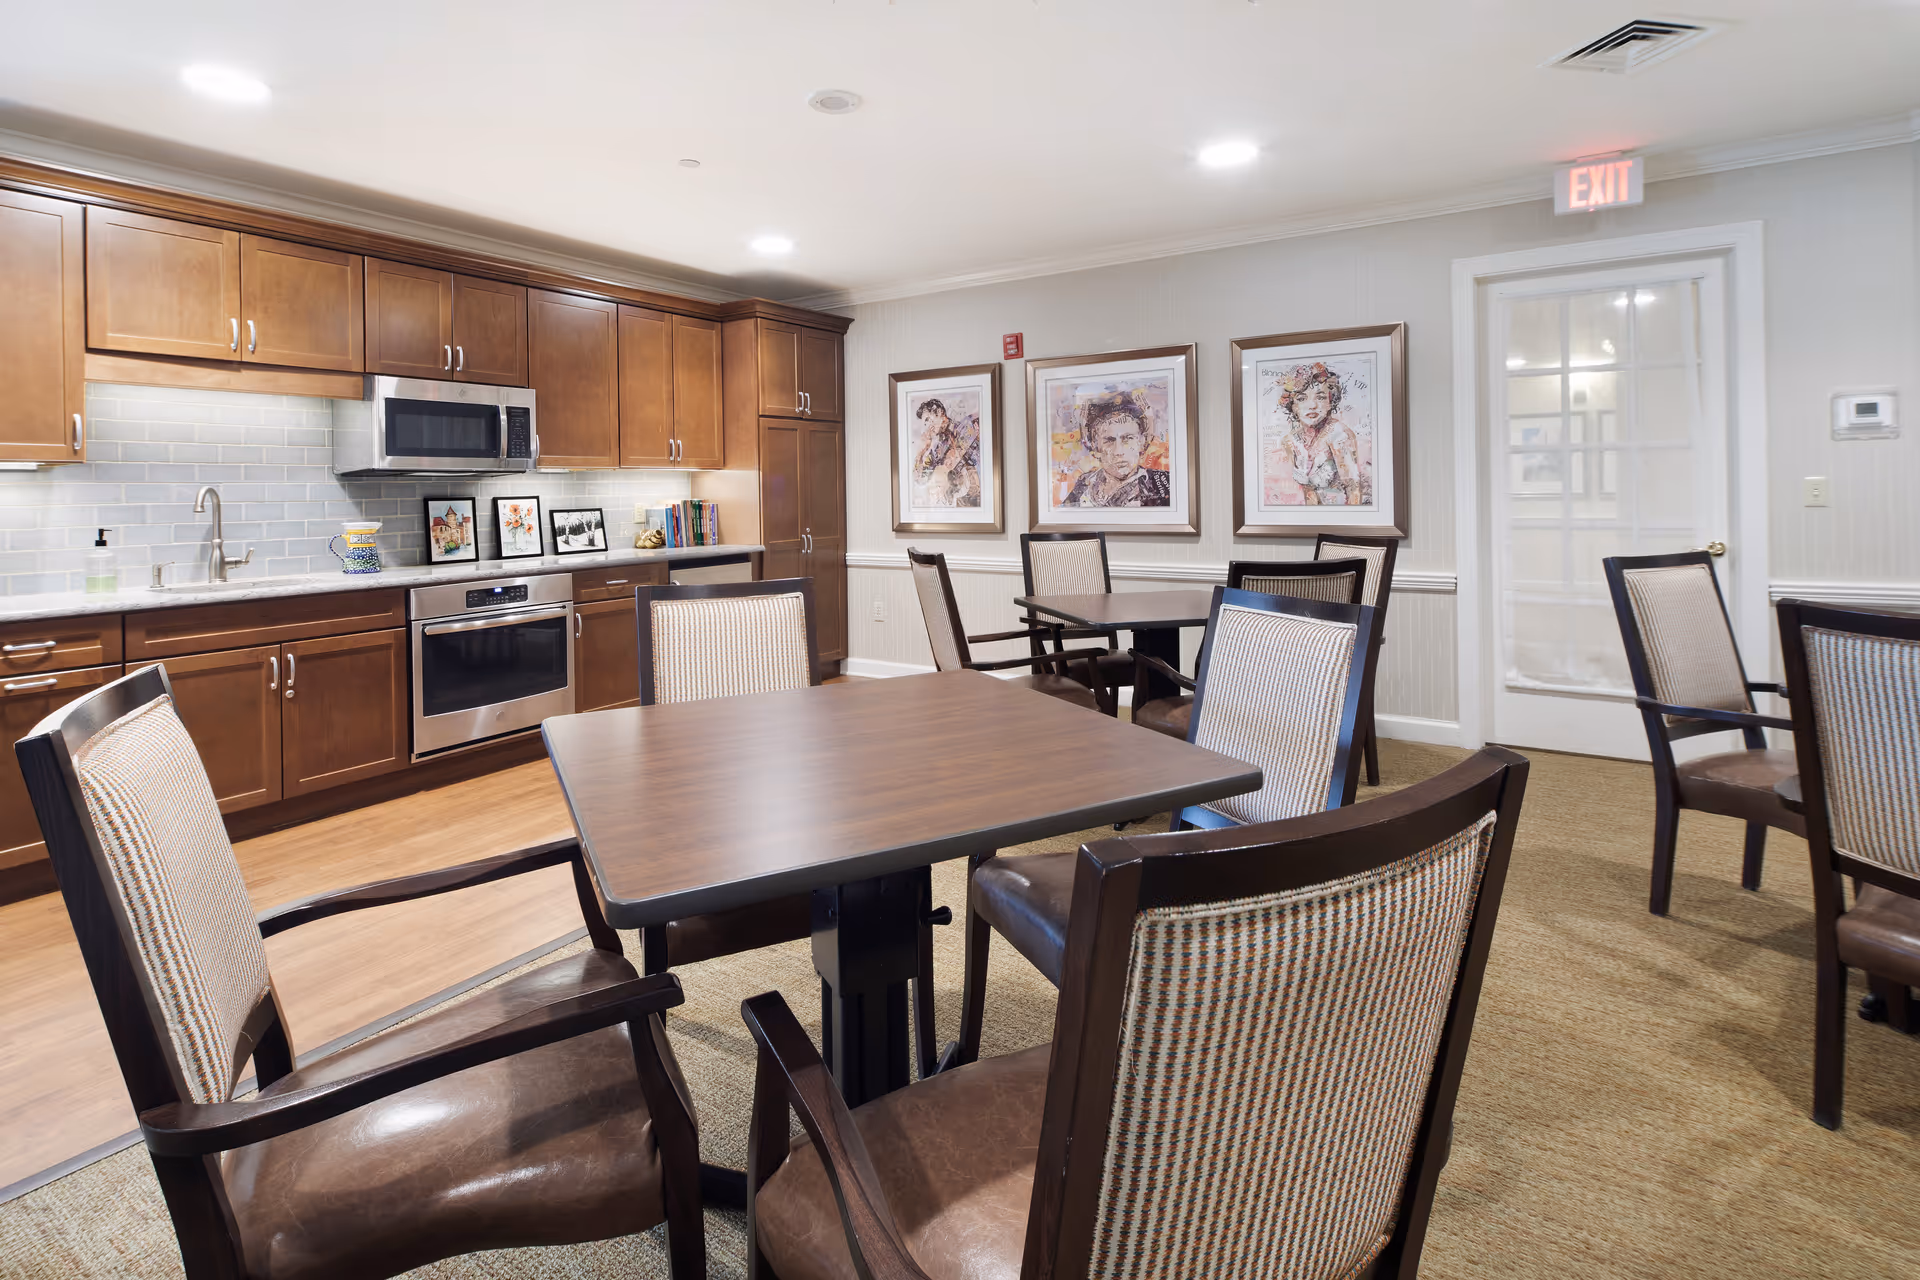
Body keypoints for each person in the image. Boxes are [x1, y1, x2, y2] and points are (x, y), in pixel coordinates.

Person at [1275, 362, 1368, 506]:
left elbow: (1353, 491)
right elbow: (1309, 493)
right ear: (1292, 405)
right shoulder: (1290, 441)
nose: (1312, 405)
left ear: (1331, 401)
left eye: (1320, 397)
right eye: (1301, 398)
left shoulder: (1339, 434)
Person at [1062, 390, 1171, 508]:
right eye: (1109, 440)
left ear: (1142, 441)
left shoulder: (1164, 484)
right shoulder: (1084, 486)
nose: (1119, 451)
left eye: (1128, 438)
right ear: (1094, 445)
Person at [910, 397, 982, 508]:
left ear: (939, 412)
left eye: (928, 419)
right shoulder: (937, 449)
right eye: (925, 423)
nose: (928, 426)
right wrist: (922, 451)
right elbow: (920, 480)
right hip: (956, 506)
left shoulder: (967, 427)